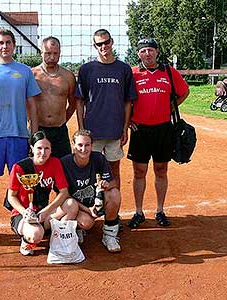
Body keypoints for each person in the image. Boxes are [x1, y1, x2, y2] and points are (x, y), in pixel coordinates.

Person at [0, 29, 41, 244]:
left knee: (23, 182)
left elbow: (32, 104)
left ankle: (24, 221)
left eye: (8, 43)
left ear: (14, 45)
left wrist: (34, 137)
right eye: (0, 43)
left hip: (19, 136)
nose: (4, 47)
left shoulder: (24, 72)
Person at [127, 38, 189, 229]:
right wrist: (128, 120)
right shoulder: (133, 73)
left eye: (151, 50)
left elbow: (184, 92)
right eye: (143, 50)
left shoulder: (169, 72)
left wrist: (171, 107)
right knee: (139, 172)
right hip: (140, 130)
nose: (147, 53)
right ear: (139, 54)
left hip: (163, 129)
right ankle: (138, 212)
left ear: (157, 52)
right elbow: (125, 99)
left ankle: (160, 210)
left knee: (161, 170)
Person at [76, 29, 136, 189]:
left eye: (106, 42)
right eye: (99, 44)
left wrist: (124, 129)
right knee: (90, 171)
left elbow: (128, 102)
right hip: (92, 132)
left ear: (112, 42)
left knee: (114, 171)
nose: (104, 46)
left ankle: (113, 212)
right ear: (95, 46)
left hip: (114, 131)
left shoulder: (124, 69)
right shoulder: (86, 69)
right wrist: (82, 129)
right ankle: (91, 210)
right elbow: (79, 101)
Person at [8, 131, 78, 256]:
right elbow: (11, 196)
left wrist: (47, 211)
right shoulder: (20, 167)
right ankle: (26, 241)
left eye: (47, 148)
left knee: (71, 205)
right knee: (35, 235)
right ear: (32, 148)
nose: (43, 152)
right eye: (39, 148)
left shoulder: (55, 163)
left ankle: (58, 235)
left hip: (43, 212)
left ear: (51, 150)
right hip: (22, 214)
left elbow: (64, 192)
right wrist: (25, 212)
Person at [61, 129, 122, 253]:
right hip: (75, 206)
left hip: (94, 203)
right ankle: (76, 227)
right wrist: (87, 209)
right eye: (80, 145)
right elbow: (64, 195)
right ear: (73, 145)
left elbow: (114, 182)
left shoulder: (99, 158)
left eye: (87, 145)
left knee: (114, 193)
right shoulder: (64, 163)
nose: (83, 149)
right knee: (86, 223)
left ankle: (110, 235)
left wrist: (107, 185)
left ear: (92, 145)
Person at [32, 36, 76, 158]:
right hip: (38, 129)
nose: (51, 57)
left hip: (60, 131)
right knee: (39, 168)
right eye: (48, 53)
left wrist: (61, 121)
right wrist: (33, 124)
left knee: (64, 168)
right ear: (41, 53)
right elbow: (26, 103)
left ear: (60, 53)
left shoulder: (68, 76)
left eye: (55, 53)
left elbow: (73, 104)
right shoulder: (32, 75)